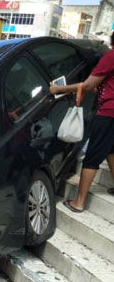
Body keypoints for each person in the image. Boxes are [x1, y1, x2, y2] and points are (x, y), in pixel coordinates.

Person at [51, 31, 114, 213]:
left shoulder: (111, 56)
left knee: (92, 157)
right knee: (111, 149)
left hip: (108, 112)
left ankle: (79, 202)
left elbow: (87, 85)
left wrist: (58, 88)